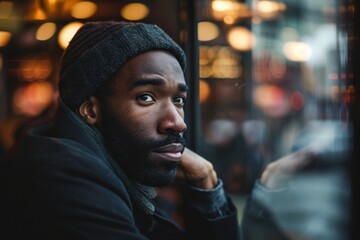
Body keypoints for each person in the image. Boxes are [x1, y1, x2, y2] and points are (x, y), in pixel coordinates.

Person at [0, 21, 312, 240]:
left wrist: (205, 182)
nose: (177, 122)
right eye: (146, 97)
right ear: (91, 110)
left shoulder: (119, 170)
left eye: (178, 99)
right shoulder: (61, 171)